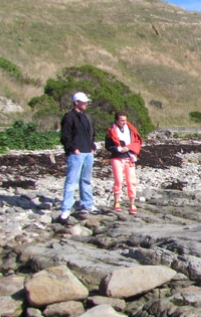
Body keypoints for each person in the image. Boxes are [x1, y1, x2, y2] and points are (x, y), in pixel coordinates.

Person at [59, 92, 97, 221]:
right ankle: (65, 209)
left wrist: (92, 147)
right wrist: (73, 149)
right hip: (76, 154)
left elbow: (92, 133)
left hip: (87, 153)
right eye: (84, 102)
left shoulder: (86, 117)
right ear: (76, 102)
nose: (86, 104)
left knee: (86, 180)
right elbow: (65, 136)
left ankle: (88, 204)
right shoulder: (69, 117)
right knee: (71, 182)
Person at [105, 111, 142, 214]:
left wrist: (129, 148)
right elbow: (108, 146)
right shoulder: (111, 131)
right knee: (119, 180)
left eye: (125, 120)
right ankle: (117, 202)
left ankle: (132, 203)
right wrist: (118, 148)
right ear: (117, 120)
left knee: (131, 181)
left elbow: (136, 142)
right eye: (122, 120)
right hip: (117, 157)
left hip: (129, 157)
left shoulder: (131, 130)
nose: (124, 122)